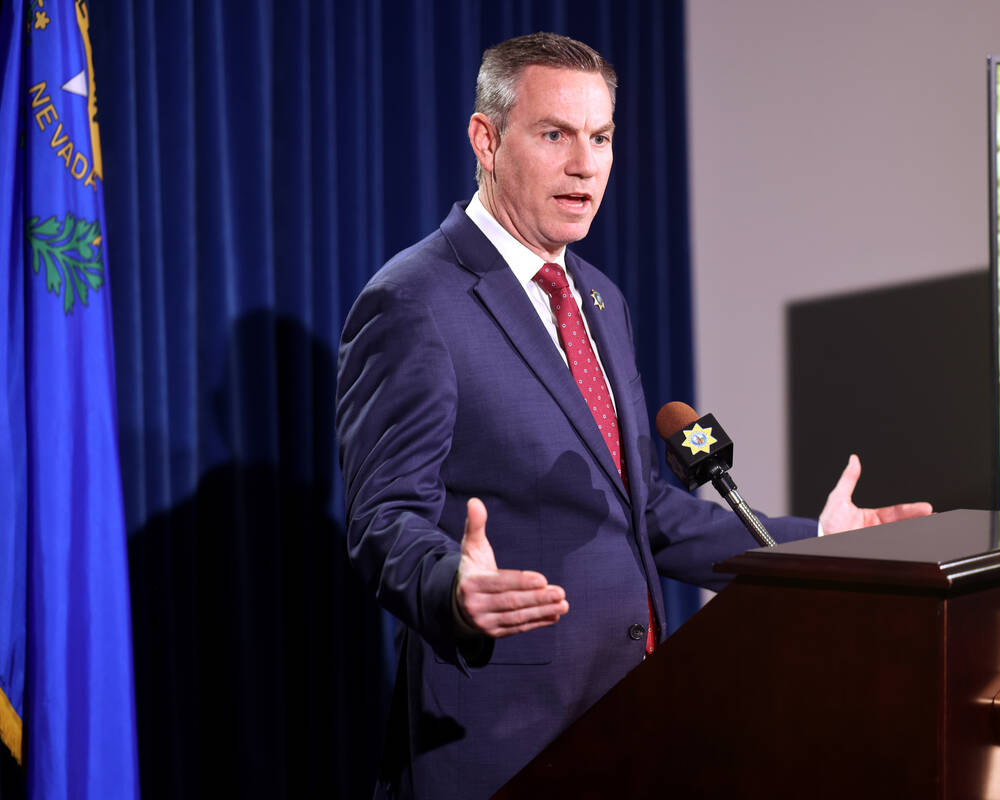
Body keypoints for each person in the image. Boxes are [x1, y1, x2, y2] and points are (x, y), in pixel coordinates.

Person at [335, 32, 931, 800]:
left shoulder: (600, 299)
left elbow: (643, 509)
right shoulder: (414, 301)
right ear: (486, 139)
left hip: (632, 719)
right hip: (505, 741)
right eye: (555, 135)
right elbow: (384, 519)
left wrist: (814, 544)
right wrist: (451, 588)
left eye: (601, 137)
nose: (585, 164)